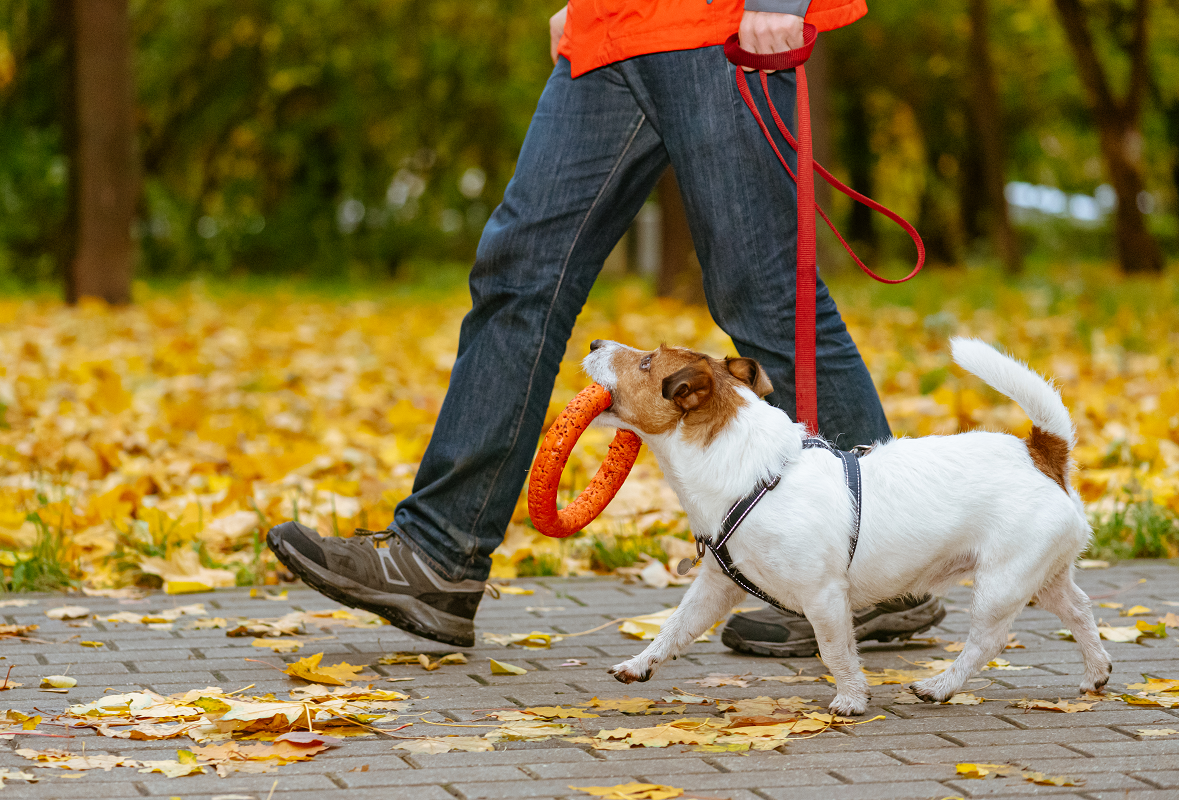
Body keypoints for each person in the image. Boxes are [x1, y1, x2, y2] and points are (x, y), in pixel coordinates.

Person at [267, 0, 945, 655]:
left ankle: (876, 569)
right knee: (518, 274)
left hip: (720, 25)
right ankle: (439, 553)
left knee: (765, 300)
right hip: (611, 29)